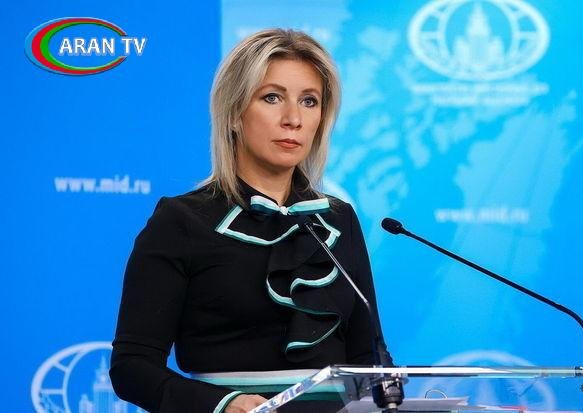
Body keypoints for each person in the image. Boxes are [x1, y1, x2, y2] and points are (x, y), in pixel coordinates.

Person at [110, 28, 392, 413]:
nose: (293, 119)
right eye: (272, 97)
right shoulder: (181, 221)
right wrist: (223, 404)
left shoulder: (339, 220)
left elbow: (367, 357)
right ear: (233, 113)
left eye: (309, 101)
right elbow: (132, 367)